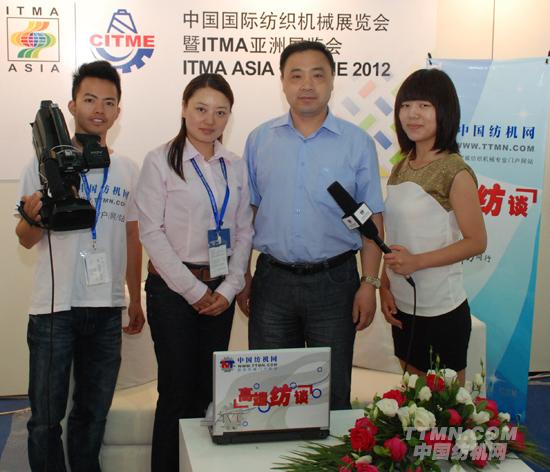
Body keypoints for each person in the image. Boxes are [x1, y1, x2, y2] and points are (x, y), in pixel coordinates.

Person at [237, 41, 384, 410]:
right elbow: (246, 215)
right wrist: (243, 274)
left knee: (331, 398)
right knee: (270, 395)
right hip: (272, 282)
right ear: (282, 83)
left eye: (317, 75)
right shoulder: (259, 140)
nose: (307, 85)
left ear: (332, 81)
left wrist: (369, 283)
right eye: (296, 76)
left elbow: (372, 218)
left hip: (335, 284)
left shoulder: (357, 142)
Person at [15, 60, 145, 472]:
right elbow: (25, 238)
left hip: (106, 309)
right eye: (89, 99)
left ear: (118, 111)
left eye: (109, 102)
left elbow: (132, 237)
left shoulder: (127, 170)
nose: (99, 109)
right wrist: (34, 216)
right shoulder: (41, 165)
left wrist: (134, 298)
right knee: (45, 420)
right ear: (72, 105)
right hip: (55, 308)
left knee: (92, 415)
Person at [135, 73, 253, 472]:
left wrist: (231, 287)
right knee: (176, 392)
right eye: (201, 109)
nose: (209, 120)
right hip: (172, 291)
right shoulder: (160, 161)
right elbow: (151, 232)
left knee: (208, 393)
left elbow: (244, 230)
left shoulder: (235, 166)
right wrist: (192, 291)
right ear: (184, 108)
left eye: (220, 112)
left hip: (220, 290)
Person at [380, 68, 487, 385]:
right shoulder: (402, 165)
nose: (412, 114)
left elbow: (476, 241)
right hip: (402, 303)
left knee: (444, 403)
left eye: (424, 105)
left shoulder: (454, 170)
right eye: (406, 105)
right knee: (412, 398)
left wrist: (417, 261)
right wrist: (385, 285)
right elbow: (395, 233)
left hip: (441, 307)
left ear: (445, 111)